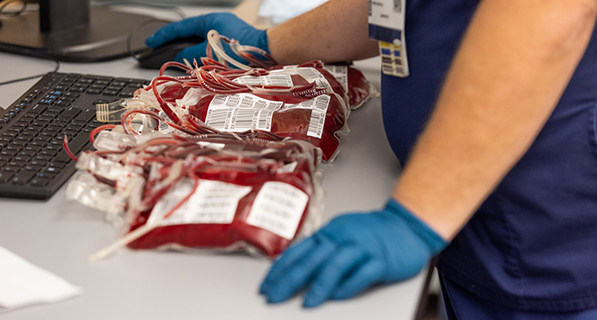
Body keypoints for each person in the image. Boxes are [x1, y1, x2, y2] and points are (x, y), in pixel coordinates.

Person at [145, 0, 597, 318]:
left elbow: (551, 10)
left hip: (546, 219)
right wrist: (267, 43)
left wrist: (416, 217)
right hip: (470, 208)